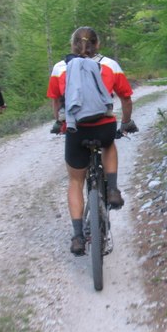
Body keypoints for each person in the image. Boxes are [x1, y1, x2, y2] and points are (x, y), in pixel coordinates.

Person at [46, 26, 138, 255]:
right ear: (97, 44)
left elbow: (56, 103)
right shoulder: (110, 65)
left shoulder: (60, 68)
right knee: (109, 144)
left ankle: (77, 236)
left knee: (75, 181)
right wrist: (126, 122)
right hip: (103, 126)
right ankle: (113, 190)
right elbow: (126, 98)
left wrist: (59, 123)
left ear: (72, 45)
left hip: (76, 131)